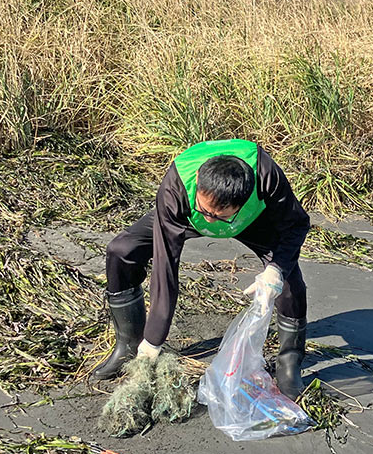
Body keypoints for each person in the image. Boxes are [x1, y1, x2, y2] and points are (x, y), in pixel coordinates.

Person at [93, 138, 312, 398]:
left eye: (218, 216)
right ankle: (128, 345)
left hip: (252, 222)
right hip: (187, 217)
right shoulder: (176, 187)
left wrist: (275, 269)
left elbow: (296, 225)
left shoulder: (266, 177)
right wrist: (153, 340)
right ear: (198, 178)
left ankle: (290, 362)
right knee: (122, 250)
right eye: (206, 210)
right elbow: (165, 270)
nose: (210, 221)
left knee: (289, 284)